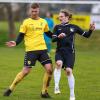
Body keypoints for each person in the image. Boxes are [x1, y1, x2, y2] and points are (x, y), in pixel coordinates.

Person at [3, 3, 53, 98]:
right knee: (25, 71)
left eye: (36, 11)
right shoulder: (26, 22)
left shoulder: (43, 21)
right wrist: (16, 42)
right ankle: (10, 88)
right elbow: (21, 35)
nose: (34, 13)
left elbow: (48, 33)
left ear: (39, 10)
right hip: (31, 51)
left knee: (50, 70)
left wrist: (57, 36)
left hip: (43, 50)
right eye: (32, 11)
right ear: (30, 11)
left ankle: (44, 92)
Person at [52, 9, 95, 100]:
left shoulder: (74, 27)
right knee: (58, 64)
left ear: (67, 17)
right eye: (59, 16)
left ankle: (72, 95)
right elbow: (53, 39)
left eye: (61, 16)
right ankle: (56, 86)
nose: (59, 18)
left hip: (70, 53)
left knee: (68, 71)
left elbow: (86, 35)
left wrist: (90, 30)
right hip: (59, 51)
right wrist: (58, 37)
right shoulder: (57, 27)